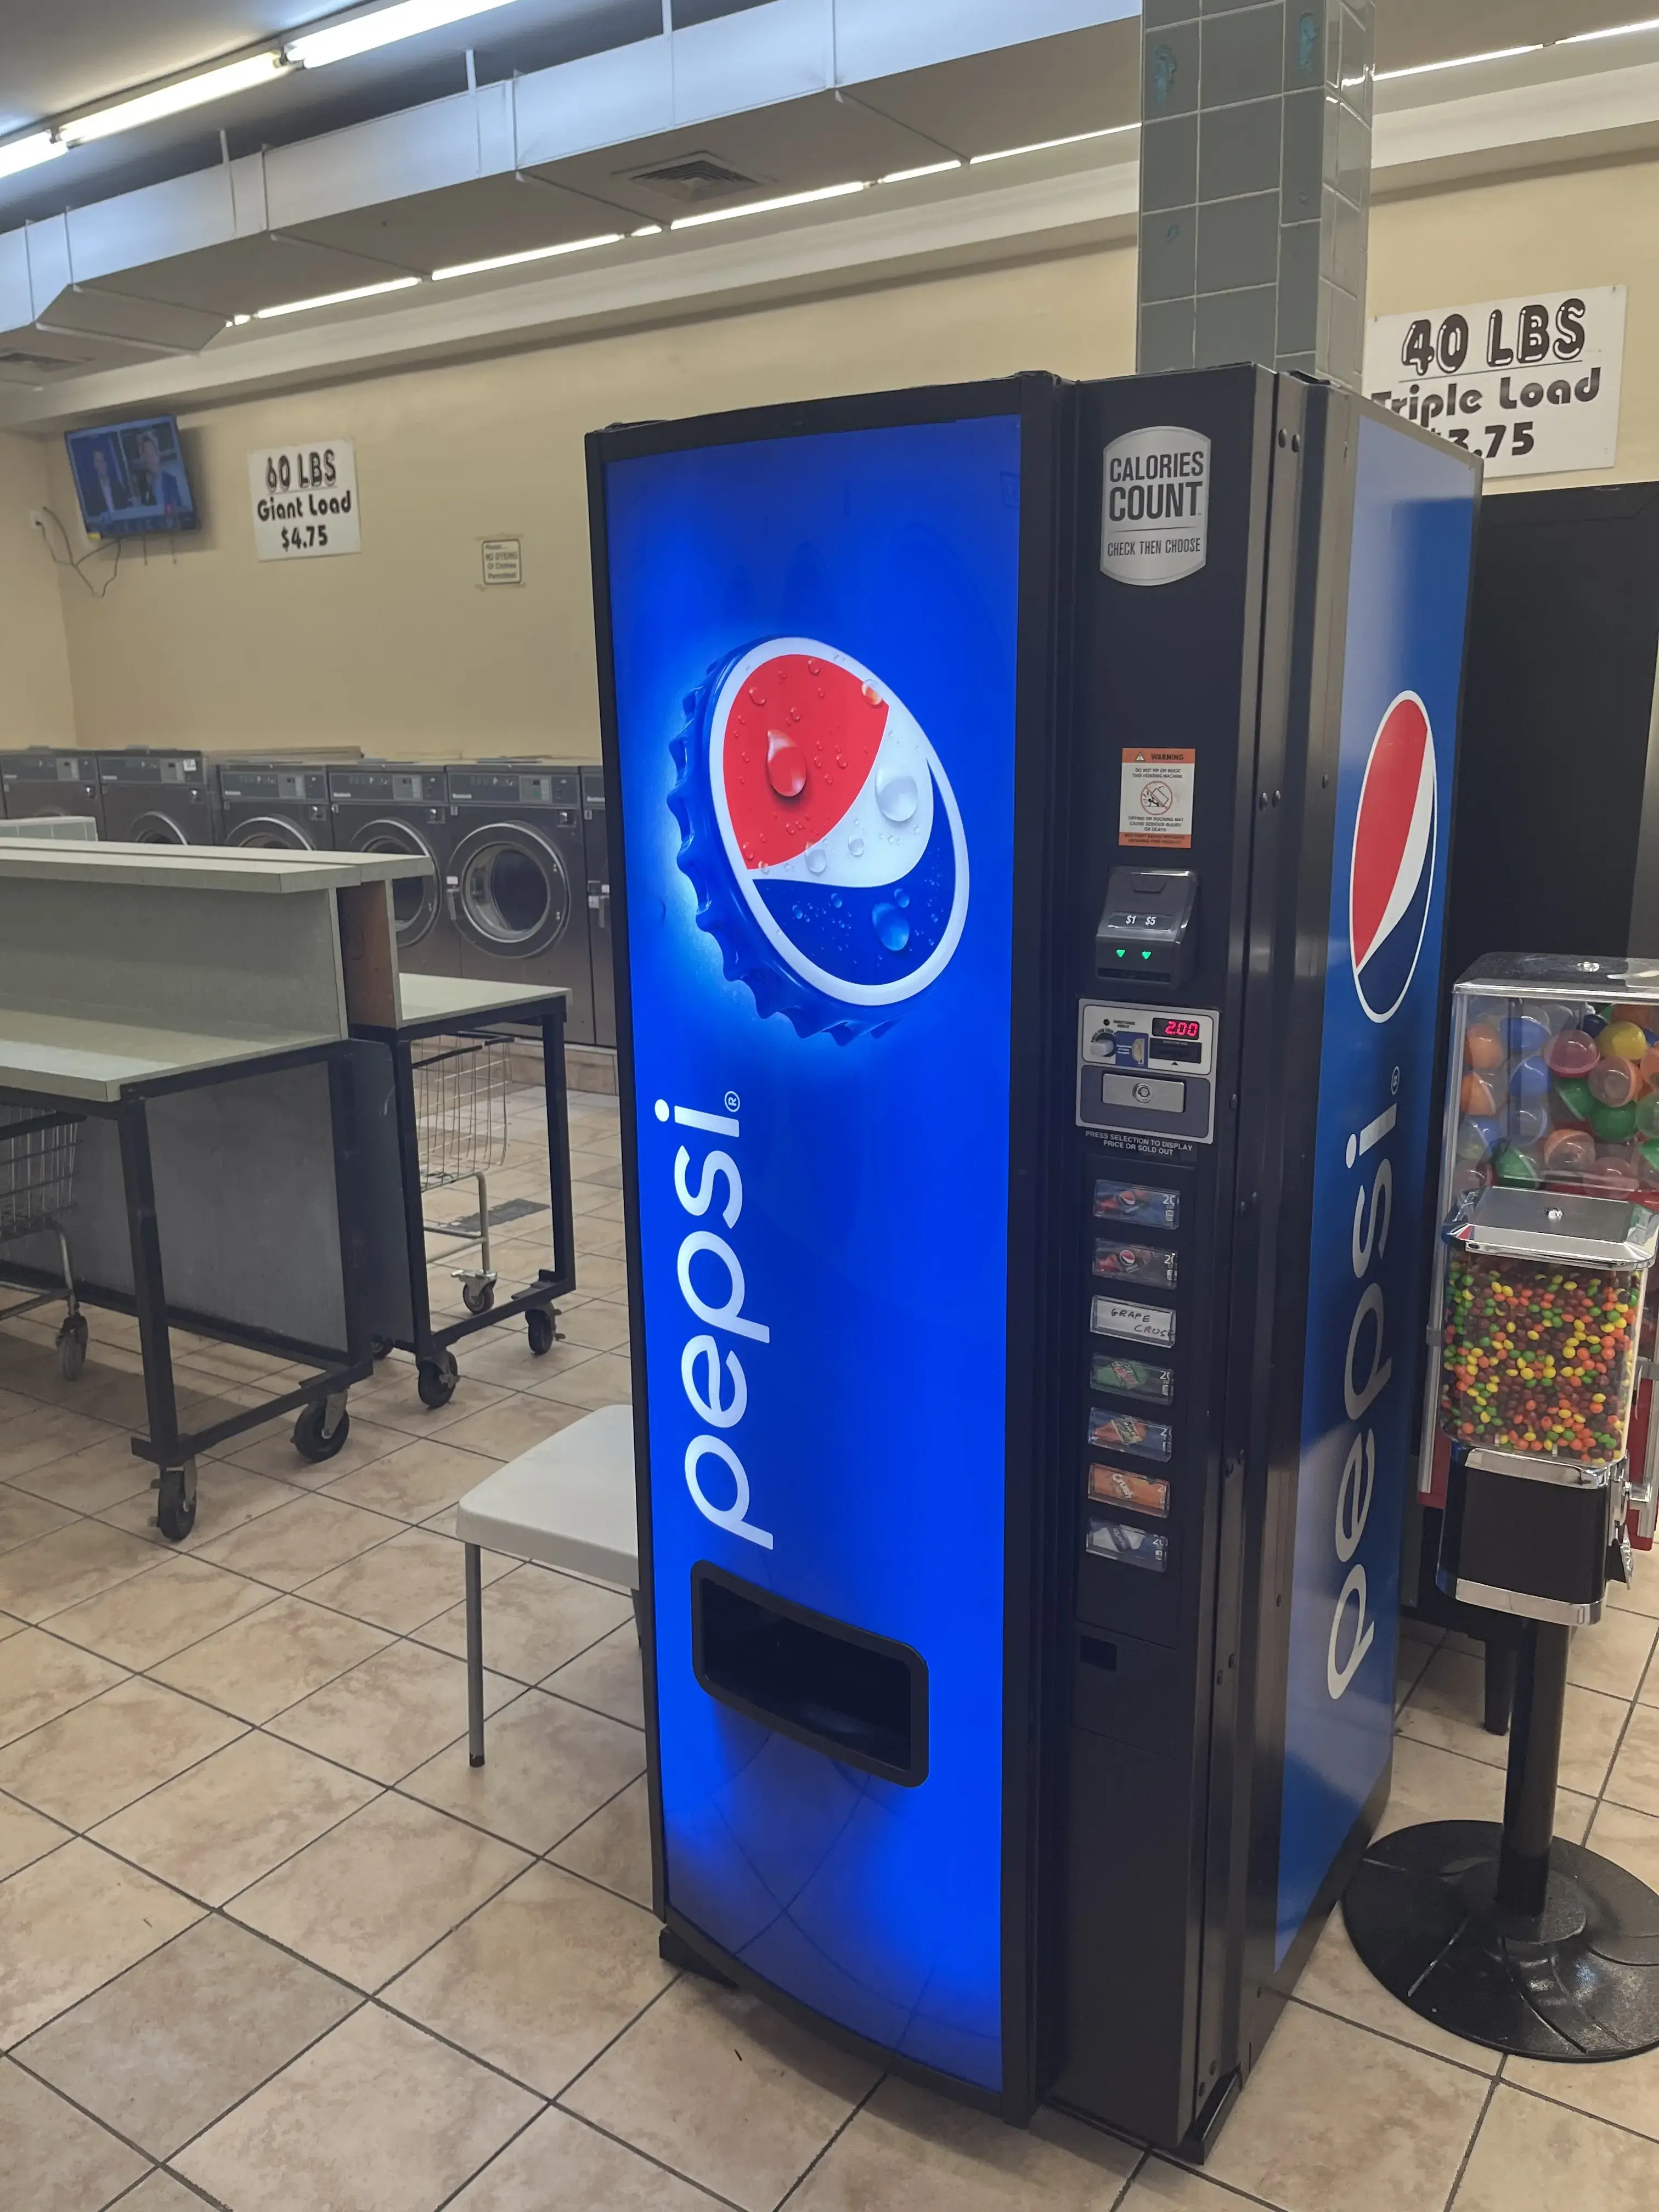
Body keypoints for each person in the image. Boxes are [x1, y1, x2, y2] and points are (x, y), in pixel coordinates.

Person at [133, 429, 186, 518]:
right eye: (147, 456)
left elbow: (179, 508)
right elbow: (142, 511)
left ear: (158, 454)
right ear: (144, 460)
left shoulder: (171, 480)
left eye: (153, 454)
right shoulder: (142, 484)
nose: (151, 460)